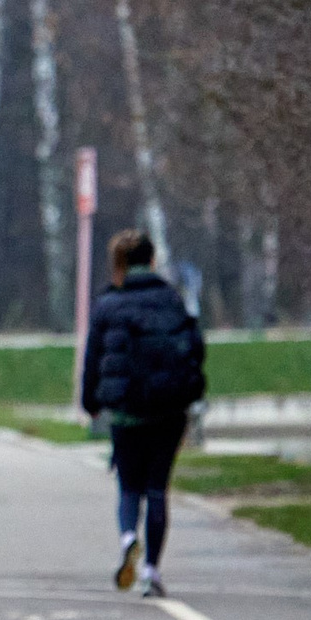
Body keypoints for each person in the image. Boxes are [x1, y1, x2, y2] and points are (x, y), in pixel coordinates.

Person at [80, 228, 207, 597]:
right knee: (157, 490)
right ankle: (151, 570)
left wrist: (91, 403)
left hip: (126, 412)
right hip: (169, 411)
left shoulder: (108, 305)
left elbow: (93, 359)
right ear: (152, 260)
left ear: (118, 263)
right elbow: (194, 349)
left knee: (129, 487)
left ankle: (127, 539)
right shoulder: (172, 300)